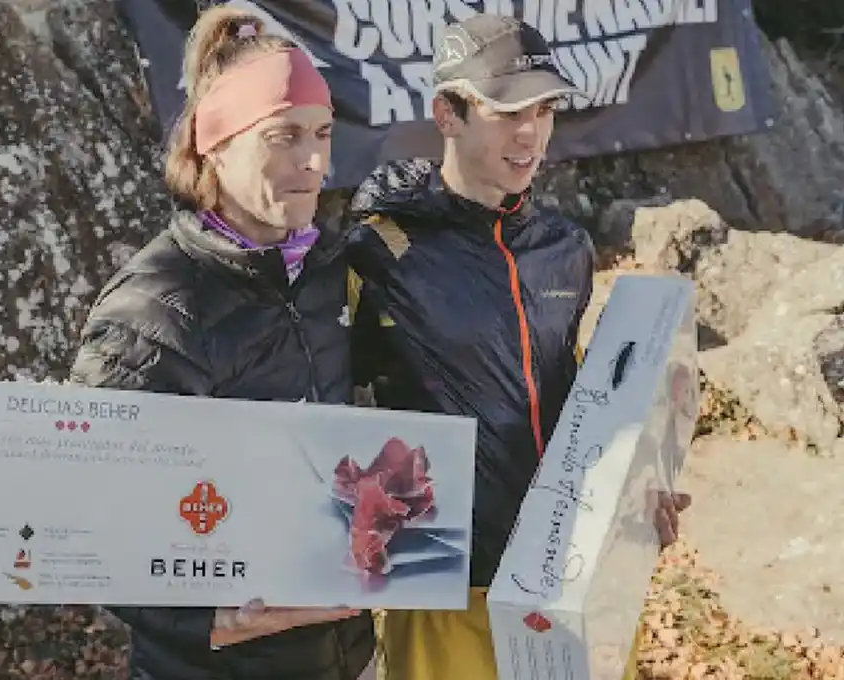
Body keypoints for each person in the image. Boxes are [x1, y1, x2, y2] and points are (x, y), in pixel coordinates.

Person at [344, 14, 692, 680]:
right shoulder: (380, 251)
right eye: (506, 112)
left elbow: (584, 401)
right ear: (447, 112)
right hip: (450, 587)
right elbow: (325, 406)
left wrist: (641, 492)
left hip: (571, 583)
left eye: (544, 109)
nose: (529, 132)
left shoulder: (565, 249)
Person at [68, 7, 374, 679]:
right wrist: (213, 618)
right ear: (215, 143)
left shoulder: (333, 270)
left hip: (344, 659)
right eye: (283, 136)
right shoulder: (153, 307)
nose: (314, 161)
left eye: (322, 133)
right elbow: (87, 515)